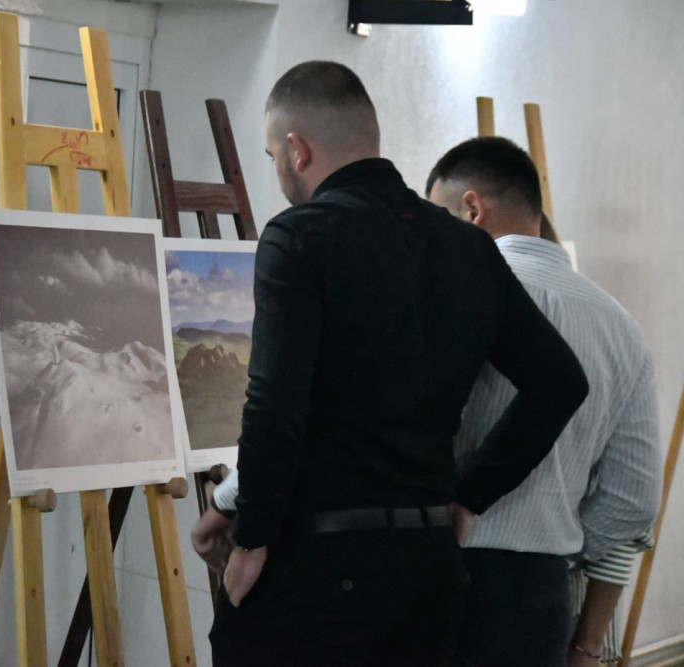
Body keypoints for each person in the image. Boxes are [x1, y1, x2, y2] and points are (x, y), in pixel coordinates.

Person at [196, 61, 589, 666]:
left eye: (273, 155)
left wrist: (250, 539)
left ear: (298, 150)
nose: (278, 169)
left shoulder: (300, 237)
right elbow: (560, 382)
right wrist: (469, 495)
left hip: (314, 574)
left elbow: (274, 408)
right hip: (426, 572)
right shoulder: (468, 248)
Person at [424, 136, 662, 666]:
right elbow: (635, 496)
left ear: (471, 209)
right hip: (540, 596)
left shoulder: (450, 294)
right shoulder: (621, 327)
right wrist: (557, 543)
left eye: (439, 219)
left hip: (436, 570)